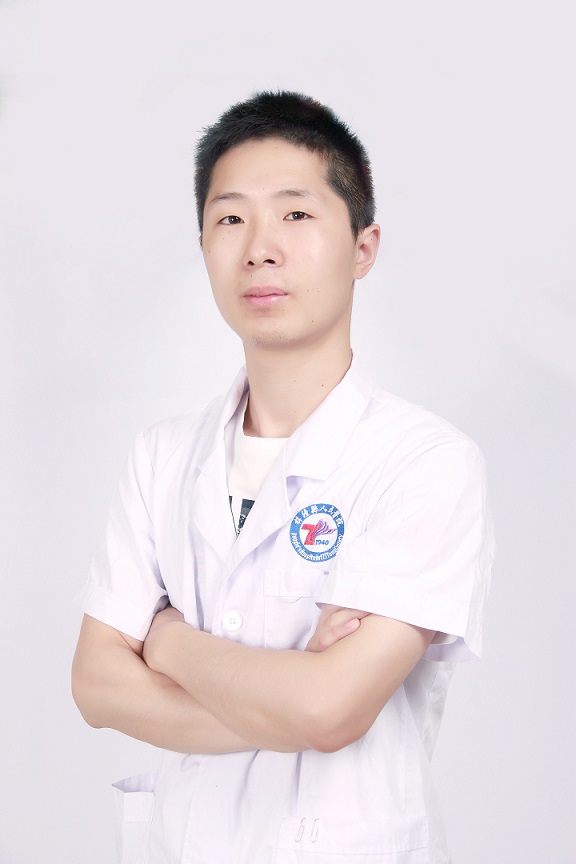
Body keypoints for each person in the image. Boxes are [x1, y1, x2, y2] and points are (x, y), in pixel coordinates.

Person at [72, 91, 494, 864]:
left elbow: (329, 711)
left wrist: (165, 640)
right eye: (231, 218)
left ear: (363, 248)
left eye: (296, 214)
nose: (260, 248)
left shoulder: (424, 460)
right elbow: (97, 686)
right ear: (204, 244)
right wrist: (288, 697)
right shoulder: (162, 456)